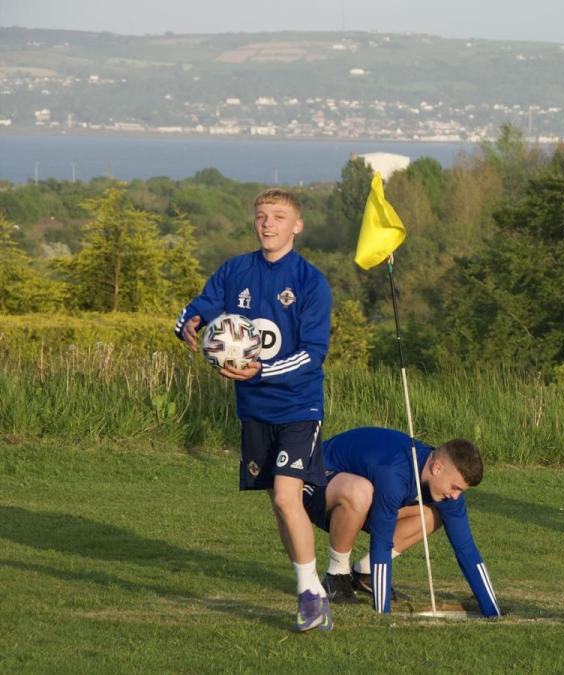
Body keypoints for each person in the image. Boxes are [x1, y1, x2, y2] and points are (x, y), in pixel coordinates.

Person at [174, 188, 334, 631]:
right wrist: (186, 322)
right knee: (280, 504)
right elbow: (203, 306)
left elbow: (313, 353)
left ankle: (309, 595)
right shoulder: (235, 270)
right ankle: (314, 590)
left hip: (300, 405)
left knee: (287, 496)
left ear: (296, 226)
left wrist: (259, 370)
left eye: (279, 217)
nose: (268, 224)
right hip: (254, 410)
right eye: (262, 216)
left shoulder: (310, 282)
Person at [301, 427, 500, 617]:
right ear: (437, 468)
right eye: (455, 487)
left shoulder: (447, 491)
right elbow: (382, 540)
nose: (456, 496)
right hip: (315, 480)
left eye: (461, 491)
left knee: (434, 513)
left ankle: (365, 573)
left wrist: (493, 613)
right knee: (360, 491)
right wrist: (383, 611)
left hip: (367, 496)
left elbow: (466, 549)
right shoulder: (394, 473)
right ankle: (337, 574)